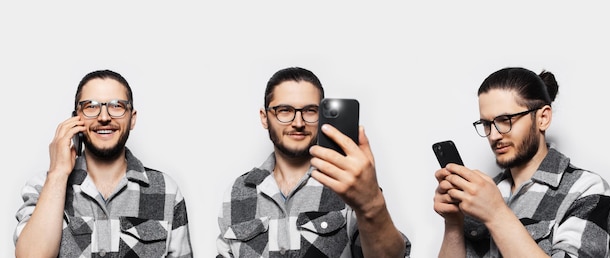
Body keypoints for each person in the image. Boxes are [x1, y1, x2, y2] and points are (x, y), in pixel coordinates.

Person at [216, 67, 411, 258]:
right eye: (284, 110)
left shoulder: (347, 181)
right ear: (265, 117)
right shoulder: (238, 192)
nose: (299, 122)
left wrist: (372, 204)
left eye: (310, 111)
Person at [433, 67, 610, 257]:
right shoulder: (483, 193)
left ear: (543, 118)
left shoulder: (585, 189)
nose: (494, 135)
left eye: (505, 120)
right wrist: (453, 223)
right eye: (487, 124)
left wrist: (496, 214)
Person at [14, 70, 193, 257]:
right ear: (76, 118)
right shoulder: (44, 186)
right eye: (91, 106)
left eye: (117, 106)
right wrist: (58, 173)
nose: (104, 117)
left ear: (132, 118)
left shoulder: (166, 190)